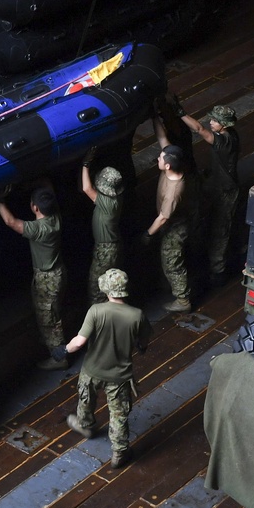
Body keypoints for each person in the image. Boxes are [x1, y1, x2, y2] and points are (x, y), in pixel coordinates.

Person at [53, 269, 151, 469]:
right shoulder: (137, 315)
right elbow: (143, 342)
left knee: (86, 401)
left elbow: (79, 342)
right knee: (118, 415)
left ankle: (86, 426)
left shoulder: (96, 311)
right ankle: (119, 452)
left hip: (92, 371)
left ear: (107, 290)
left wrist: (63, 350)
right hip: (119, 376)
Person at [0, 186, 67, 369]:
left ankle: (59, 358)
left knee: (50, 319)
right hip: (55, 273)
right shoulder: (55, 217)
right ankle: (48, 340)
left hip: (47, 279)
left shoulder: (39, 229)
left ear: (35, 208)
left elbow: (10, 221)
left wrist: (0, 200)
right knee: (48, 312)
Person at [181, 104, 240, 287]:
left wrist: (181, 114)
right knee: (209, 223)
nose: (211, 122)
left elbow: (199, 129)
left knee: (220, 231)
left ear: (224, 125)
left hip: (225, 192)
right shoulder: (229, 135)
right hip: (217, 185)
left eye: (215, 121)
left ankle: (218, 271)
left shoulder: (224, 141)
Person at [146, 114, 191, 313]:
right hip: (170, 222)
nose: (158, 158)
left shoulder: (174, 192)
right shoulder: (175, 163)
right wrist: (154, 116)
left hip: (174, 228)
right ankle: (166, 283)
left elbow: (163, 218)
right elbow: (163, 140)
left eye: (160, 159)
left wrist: (147, 234)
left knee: (172, 262)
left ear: (167, 166)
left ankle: (183, 300)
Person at [81, 152, 125, 305]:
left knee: (96, 287)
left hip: (106, 249)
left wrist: (85, 164)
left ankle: (100, 314)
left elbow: (87, 188)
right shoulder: (115, 198)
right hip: (109, 246)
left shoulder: (108, 203)